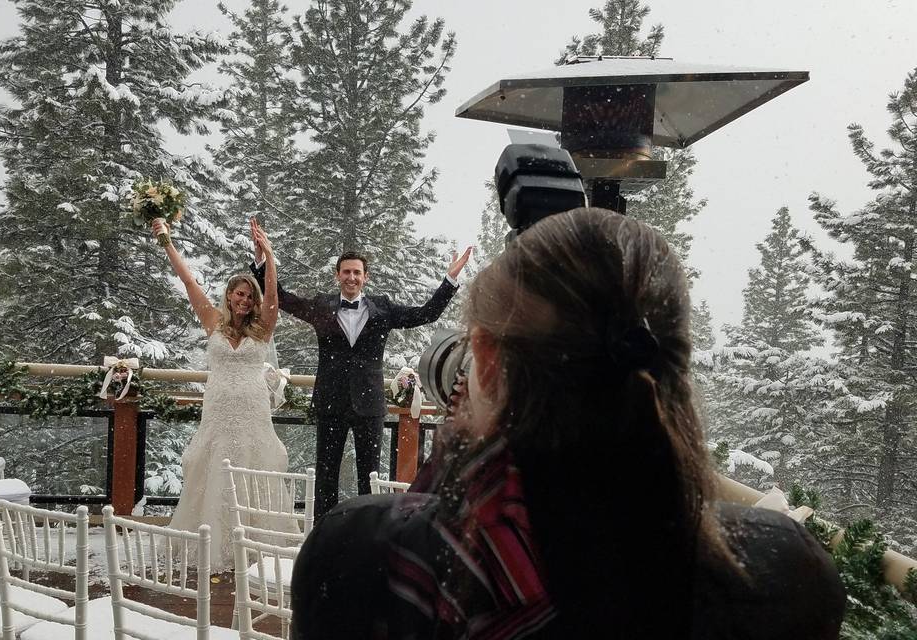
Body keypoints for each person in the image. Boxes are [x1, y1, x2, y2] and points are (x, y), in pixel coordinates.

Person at [290, 208, 846, 639]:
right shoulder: (788, 572)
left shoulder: (362, 559)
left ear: (483, 359)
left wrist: (460, 442)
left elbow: (422, 317)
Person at [249, 218, 472, 518]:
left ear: (365, 277)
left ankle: (367, 538)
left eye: (356, 272)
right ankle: (324, 534)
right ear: (337, 276)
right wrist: (263, 263)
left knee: (370, 479)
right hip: (331, 402)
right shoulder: (320, 306)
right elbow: (284, 299)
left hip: (370, 405)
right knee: (326, 477)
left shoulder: (383, 309)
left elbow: (426, 314)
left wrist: (450, 280)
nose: (351, 277)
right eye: (346, 272)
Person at [156, 219, 298, 571]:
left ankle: (255, 543)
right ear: (229, 296)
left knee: (253, 465)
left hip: (252, 409)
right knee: (215, 465)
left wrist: (269, 255)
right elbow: (189, 282)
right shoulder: (213, 322)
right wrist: (167, 243)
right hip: (218, 409)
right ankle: (212, 540)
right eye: (239, 294)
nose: (244, 300)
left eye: (249, 296)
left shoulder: (263, 327)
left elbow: (275, 296)